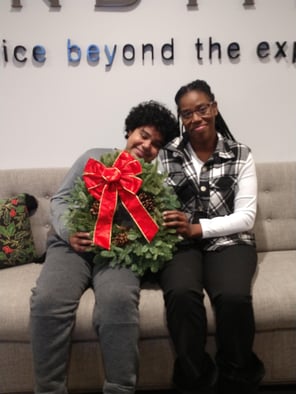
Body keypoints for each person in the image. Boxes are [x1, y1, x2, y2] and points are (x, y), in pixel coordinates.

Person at [29, 100, 179, 394]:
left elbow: (153, 227)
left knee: (119, 301)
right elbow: (60, 200)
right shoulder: (93, 158)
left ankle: (120, 388)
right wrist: (70, 232)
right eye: (143, 135)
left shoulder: (154, 183)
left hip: (119, 252)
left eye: (156, 144)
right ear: (130, 130)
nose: (147, 145)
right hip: (73, 247)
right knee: (47, 301)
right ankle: (49, 389)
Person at [159, 79, 265, 394]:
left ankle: (236, 376)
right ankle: (196, 378)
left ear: (214, 108)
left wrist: (198, 227)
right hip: (181, 243)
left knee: (233, 297)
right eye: (186, 113)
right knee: (180, 295)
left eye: (201, 109)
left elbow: (245, 219)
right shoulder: (168, 154)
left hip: (230, 242)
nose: (195, 118)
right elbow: (161, 203)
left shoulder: (240, 154)